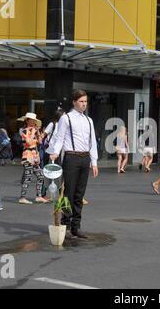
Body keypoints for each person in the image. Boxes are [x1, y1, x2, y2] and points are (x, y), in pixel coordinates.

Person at [50, 90, 99, 239]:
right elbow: (60, 138)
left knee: (80, 194)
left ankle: (76, 227)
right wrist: (56, 152)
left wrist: (94, 162)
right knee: (68, 193)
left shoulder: (88, 120)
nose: (84, 104)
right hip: (71, 157)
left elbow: (92, 143)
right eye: (81, 101)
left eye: (85, 101)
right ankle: (65, 224)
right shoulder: (66, 118)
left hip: (85, 159)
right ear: (74, 102)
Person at [17, 112, 48, 204]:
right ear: (27, 121)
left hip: (34, 156)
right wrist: (33, 131)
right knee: (28, 177)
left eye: (34, 121)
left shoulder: (34, 131)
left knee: (40, 175)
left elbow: (40, 142)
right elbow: (29, 143)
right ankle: (22, 197)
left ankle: (38, 196)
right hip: (27, 156)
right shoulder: (24, 131)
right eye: (31, 121)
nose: (33, 123)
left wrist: (37, 132)